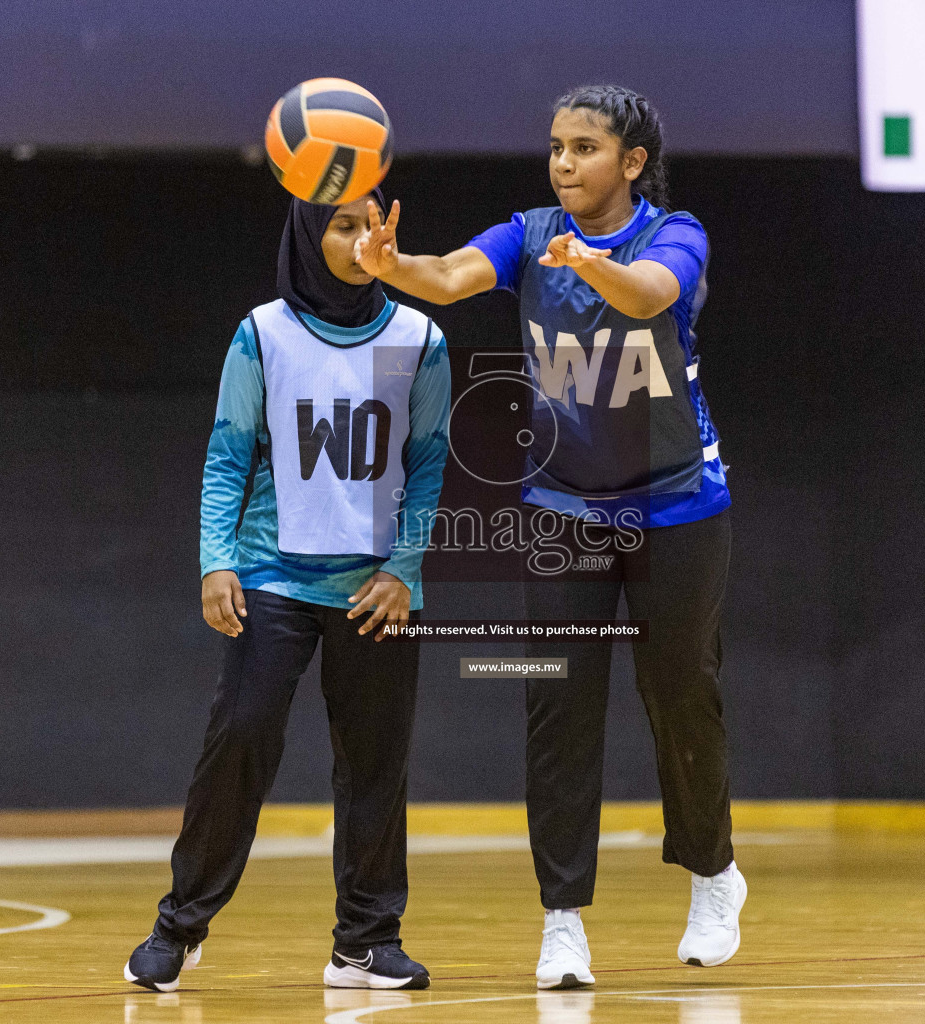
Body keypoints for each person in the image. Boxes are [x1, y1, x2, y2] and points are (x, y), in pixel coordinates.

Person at [354, 85, 742, 989]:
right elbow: (449, 277)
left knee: (680, 693)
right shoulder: (529, 233)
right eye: (556, 146)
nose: (563, 162)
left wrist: (592, 265)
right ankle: (563, 921)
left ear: (632, 162)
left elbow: (649, 294)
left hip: (678, 505)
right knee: (558, 707)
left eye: (584, 148)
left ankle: (714, 875)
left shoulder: (674, 235)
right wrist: (391, 265)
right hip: (565, 507)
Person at [123, 191, 451, 993]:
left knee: (376, 763)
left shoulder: (420, 337)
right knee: (240, 739)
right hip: (273, 575)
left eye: (370, 225)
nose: (358, 239)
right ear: (309, 237)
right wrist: (216, 560)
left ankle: (366, 941)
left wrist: (405, 569)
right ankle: (179, 927)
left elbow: (432, 464)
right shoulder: (263, 332)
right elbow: (228, 456)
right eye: (341, 226)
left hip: (375, 589)